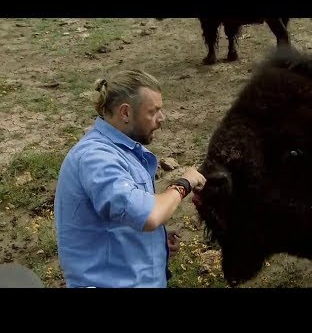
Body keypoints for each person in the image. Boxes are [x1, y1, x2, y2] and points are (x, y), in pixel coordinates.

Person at [53, 69, 206, 288]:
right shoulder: (97, 159)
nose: (161, 119)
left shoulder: (121, 151)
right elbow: (150, 215)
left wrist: (155, 244)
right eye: (153, 111)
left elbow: (120, 216)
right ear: (125, 112)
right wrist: (183, 184)